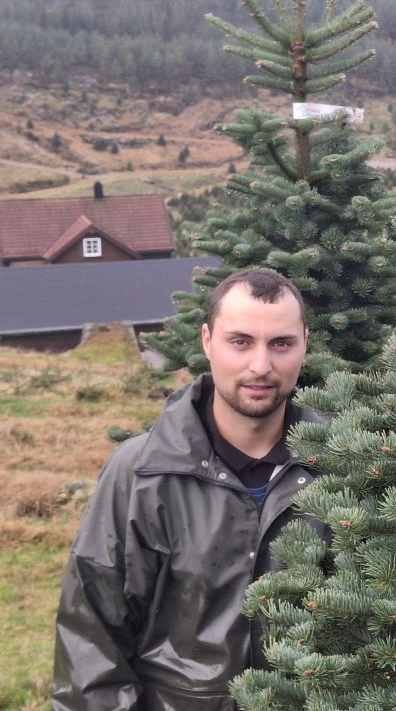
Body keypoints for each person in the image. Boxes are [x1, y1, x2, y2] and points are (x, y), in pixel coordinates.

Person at [52, 268, 326, 710]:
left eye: (281, 343)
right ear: (206, 341)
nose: (261, 366)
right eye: (240, 342)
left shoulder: (343, 469)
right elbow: (92, 646)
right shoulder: (140, 475)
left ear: (303, 345)